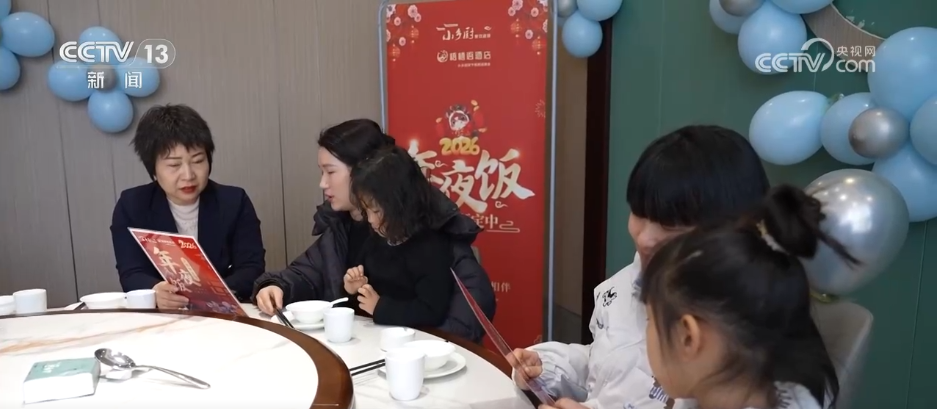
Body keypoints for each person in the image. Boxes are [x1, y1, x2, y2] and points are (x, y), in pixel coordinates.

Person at [508, 125, 772, 408]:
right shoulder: (622, 286)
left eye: (670, 224)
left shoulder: (746, 339)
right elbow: (609, 365)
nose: (645, 238)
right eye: (639, 213)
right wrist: (550, 368)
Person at [253, 119, 495, 341]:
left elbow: (466, 314)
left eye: (331, 171)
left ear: (367, 170)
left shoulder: (433, 232)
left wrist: (406, 334)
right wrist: (276, 286)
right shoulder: (342, 225)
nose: (322, 183)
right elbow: (307, 272)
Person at [110, 104, 266, 308]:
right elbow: (131, 272)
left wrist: (210, 296)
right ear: (153, 169)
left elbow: (251, 269)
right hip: (163, 315)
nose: (188, 175)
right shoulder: (132, 205)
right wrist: (155, 290)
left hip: (223, 313)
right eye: (174, 165)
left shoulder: (234, 202)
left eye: (198, 161)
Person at [342, 144, 455, 326]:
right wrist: (353, 289)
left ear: (401, 205)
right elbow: (362, 302)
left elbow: (432, 311)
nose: (370, 219)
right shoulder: (374, 239)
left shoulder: (430, 248)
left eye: (376, 211)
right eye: (366, 210)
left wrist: (380, 308)